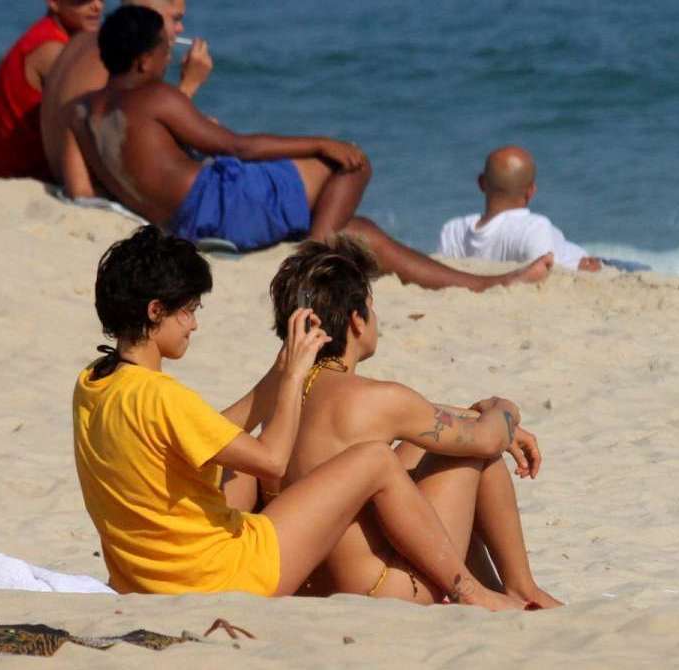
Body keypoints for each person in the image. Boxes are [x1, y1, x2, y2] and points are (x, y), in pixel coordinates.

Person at [72, 225, 522, 610]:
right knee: (377, 460)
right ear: (156, 311)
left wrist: (282, 374)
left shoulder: (96, 384)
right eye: (188, 310)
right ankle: (469, 590)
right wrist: (290, 383)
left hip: (151, 582)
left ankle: (501, 587)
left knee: (241, 460)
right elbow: (270, 460)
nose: (194, 324)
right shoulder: (164, 396)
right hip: (224, 576)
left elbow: (205, 433)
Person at [71, 6, 551, 291]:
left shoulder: (82, 113)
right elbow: (237, 145)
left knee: (358, 231)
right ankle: (312, 263)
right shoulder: (154, 96)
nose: (166, 56)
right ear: (142, 58)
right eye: (162, 50)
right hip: (224, 204)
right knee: (351, 163)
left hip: (187, 220)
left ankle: (487, 285)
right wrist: (322, 142)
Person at [249, 236, 562, 608]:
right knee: (474, 448)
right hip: (387, 588)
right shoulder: (376, 399)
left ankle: (501, 588)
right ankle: (521, 588)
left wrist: (471, 415)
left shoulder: (281, 401)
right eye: (371, 307)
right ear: (356, 321)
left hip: (315, 584)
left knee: (442, 434)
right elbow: (487, 439)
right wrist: (502, 406)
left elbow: (431, 425)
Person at [42, 0, 212, 198]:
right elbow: (138, 138)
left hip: (63, 177)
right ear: (148, 12)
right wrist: (189, 86)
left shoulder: (81, 40)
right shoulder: (126, 56)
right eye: (175, 18)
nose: (180, 28)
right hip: (95, 187)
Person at [0, 0, 104, 181]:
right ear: (53, 3)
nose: (97, 6)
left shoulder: (47, 35)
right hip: (28, 176)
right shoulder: (52, 49)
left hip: (17, 172)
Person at [440, 146, 603, 272]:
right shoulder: (533, 227)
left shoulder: (452, 231)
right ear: (531, 191)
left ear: (482, 183)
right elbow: (546, 274)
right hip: (589, 262)